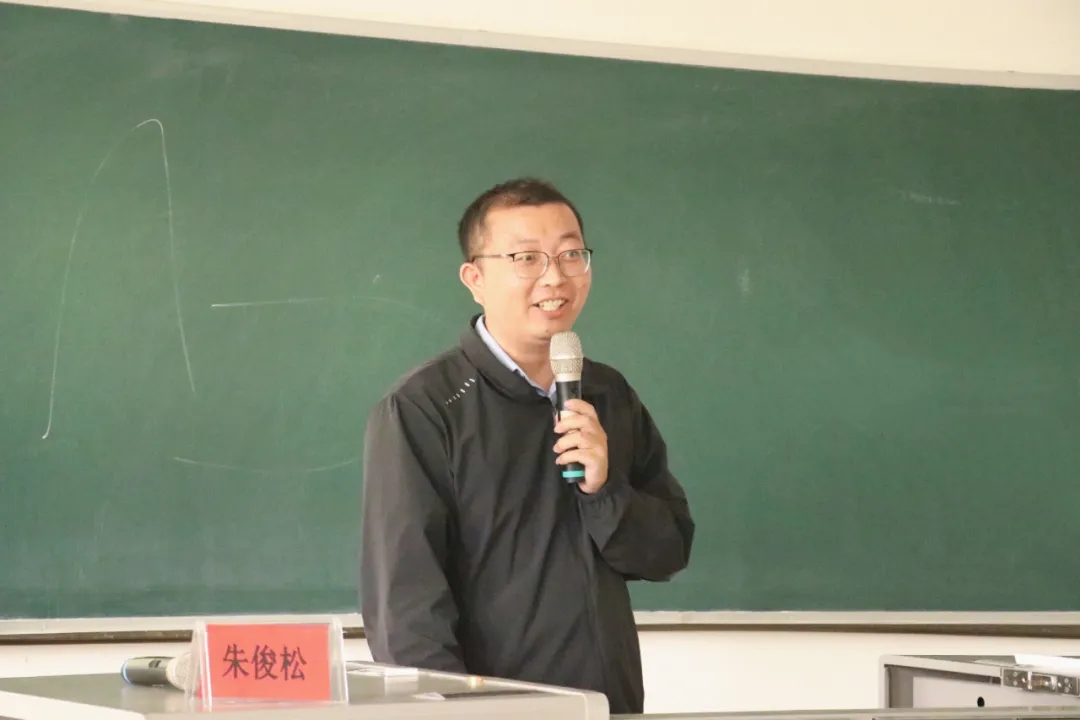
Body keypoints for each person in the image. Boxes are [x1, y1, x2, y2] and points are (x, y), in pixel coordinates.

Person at [359, 177, 695, 715]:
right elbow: (405, 612)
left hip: (608, 707)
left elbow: (667, 553)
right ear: (475, 279)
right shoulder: (424, 408)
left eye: (570, 254)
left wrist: (604, 490)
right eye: (526, 258)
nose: (554, 277)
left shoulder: (607, 393)